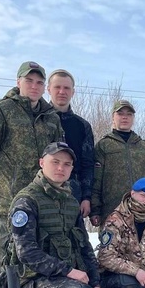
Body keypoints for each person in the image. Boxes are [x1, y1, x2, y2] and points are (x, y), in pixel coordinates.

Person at [0, 61, 65, 288]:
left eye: (39, 82)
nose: (34, 86)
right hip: (10, 198)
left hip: (42, 199)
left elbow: (59, 155)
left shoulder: (51, 118)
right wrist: (2, 182)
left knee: (38, 250)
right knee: (6, 251)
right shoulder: (0, 111)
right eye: (29, 80)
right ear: (18, 81)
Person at [9, 142, 110, 288]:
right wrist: (69, 271)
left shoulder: (71, 202)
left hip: (68, 279)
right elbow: (26, 252)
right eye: (55, 162)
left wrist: (95, 282)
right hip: (35, 279)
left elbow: (84, 246)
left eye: (67, 164)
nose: (60, 168)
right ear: (41, 163)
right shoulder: (27, 201)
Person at [89, 100, 145, 226]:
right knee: (112, 246)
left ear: (133, 118)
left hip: (143, 214)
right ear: (113, 116)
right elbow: (95, 180)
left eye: (129, 114)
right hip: (112, 213)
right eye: (120, 113)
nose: (125, 117)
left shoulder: (144, 147)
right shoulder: (104, 145)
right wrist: (95, 209)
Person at [47, 69, 96, 217]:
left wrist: (86, 197)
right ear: (48, 89)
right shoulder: (38, 120)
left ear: (73, 92)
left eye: (66, 88)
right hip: (42, 192)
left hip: (73, 194)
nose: (62, 91)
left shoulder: (82, 126)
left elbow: (88, 164)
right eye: (57, 87)